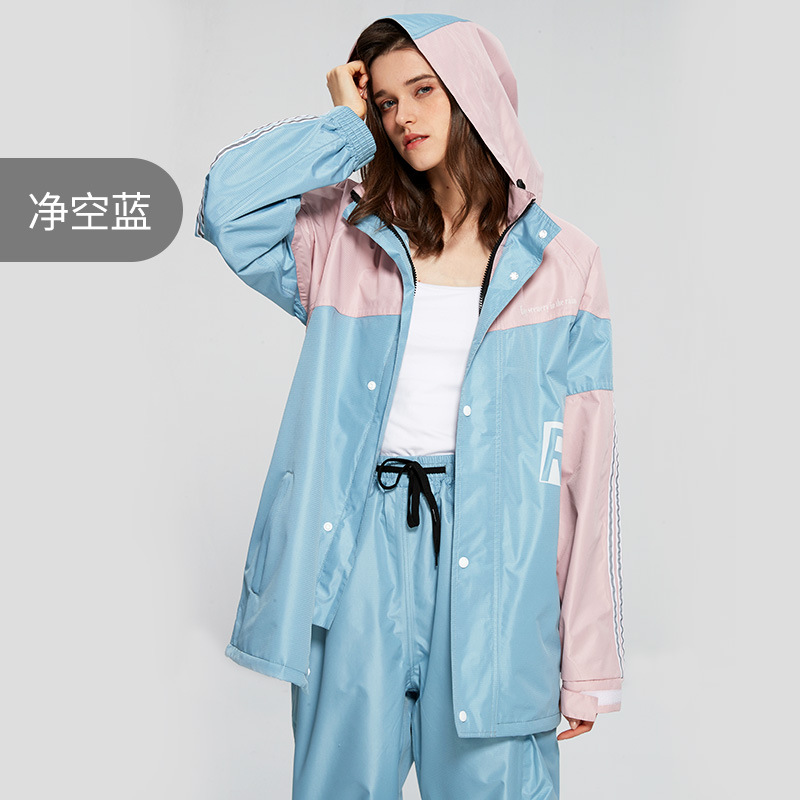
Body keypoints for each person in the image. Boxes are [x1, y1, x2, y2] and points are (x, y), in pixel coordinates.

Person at [196, 12, 624, 799]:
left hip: (499, 561)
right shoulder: (344, 237)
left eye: (424, 91)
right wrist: (341, 127)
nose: (403, 117)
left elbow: (584, 468)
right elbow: (224, 207)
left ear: (473, 95)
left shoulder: (565, 262)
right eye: (387, 102)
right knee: (339, 784)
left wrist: (588, 660)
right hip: (358, 546)